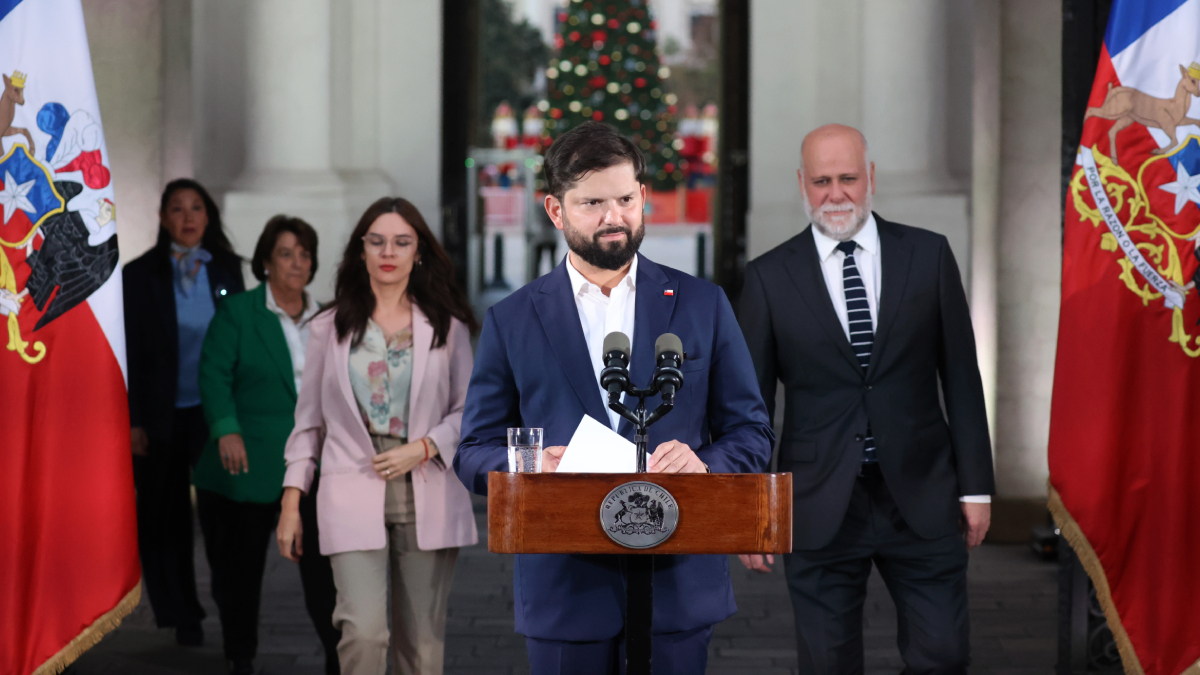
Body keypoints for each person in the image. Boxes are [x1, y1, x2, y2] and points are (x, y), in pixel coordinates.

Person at [454, 121, 774, 675]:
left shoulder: (703, 304)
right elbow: (472, 450)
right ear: (555, 211)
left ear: (643, 196)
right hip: (566, 590)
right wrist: (531, 464)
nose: (614, 217)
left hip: (678, 584)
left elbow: (752, 431)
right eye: (592, 203)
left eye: (626, 199)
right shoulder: (511, 320)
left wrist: (705, 464)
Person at [737, 124, 995, 674]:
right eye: (822, 181)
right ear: (802, 185)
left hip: (923, 494)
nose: (836, 194)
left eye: (848, 178)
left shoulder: (928, 255)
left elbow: (962, 378)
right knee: (828, 664)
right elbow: (749, 407)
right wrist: (750, 511)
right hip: (819, 501)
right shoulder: (767, 278)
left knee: (944, 656)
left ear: (871, 177)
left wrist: (976, 487)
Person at [275, 198, 479, 675]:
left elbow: (470, 411)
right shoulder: (327, 327)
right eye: (377, 241)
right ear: (360, 250)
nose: (389, 252)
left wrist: (425, 446)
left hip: (426, 481)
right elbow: (308, 423)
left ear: (418, 253)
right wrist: (291, 501)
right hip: (350, 484)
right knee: (363, 632)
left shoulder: (447, 327)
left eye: (402, 242)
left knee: (421, 644)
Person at [194, 216, 340, 675]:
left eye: (304, 254)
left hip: (314, 464)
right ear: (265, 262)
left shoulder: (329, 318)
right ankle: (240, 655)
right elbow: (214, 374)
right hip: (248, 459)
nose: (297, 263)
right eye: (285, 253)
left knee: (323, 572)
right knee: (239, 573)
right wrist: (225, 428)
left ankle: (340, 657)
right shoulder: (239, 312)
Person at [123, 178, 245, 646]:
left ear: (208, 217)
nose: (188, 217)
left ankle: (232, 610)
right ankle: (180, 612)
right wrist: (133, 420)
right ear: (162, 218)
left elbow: (239, 345)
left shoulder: (227, 271)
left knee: (221, 516)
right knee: (163, 518)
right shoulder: (139, 275)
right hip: (158, 416)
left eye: (196, 208)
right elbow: (129, 353)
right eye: (177, 208)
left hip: (213, 414)